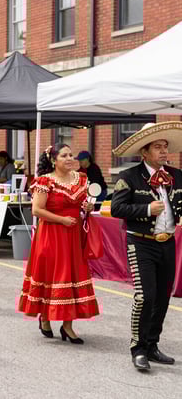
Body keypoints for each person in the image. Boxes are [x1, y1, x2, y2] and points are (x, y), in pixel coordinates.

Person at [111, 121, 182, 371]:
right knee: (145, 296)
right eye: (158, 147)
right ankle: (138, 348)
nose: (164, 151)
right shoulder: (128, 177)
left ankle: (152, 345)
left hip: (168, 243)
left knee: (163, 297)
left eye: (165, 147)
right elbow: (116, 208)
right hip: (140, 243)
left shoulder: (176, 176)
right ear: (145, 151)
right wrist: (146, 210)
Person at [18, 144, 99, 343]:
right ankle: (45, 317)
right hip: (52, 235)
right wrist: (61, 220)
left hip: (74, 235)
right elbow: (36, 210)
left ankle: (68, 325)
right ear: (54, 160)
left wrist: (88, 206)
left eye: (71, 155)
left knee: (72, 275)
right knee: (52, 275)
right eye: (64, 155)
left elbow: (82, 204)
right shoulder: (44, 181)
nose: (69, 158)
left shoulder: (81, 178)